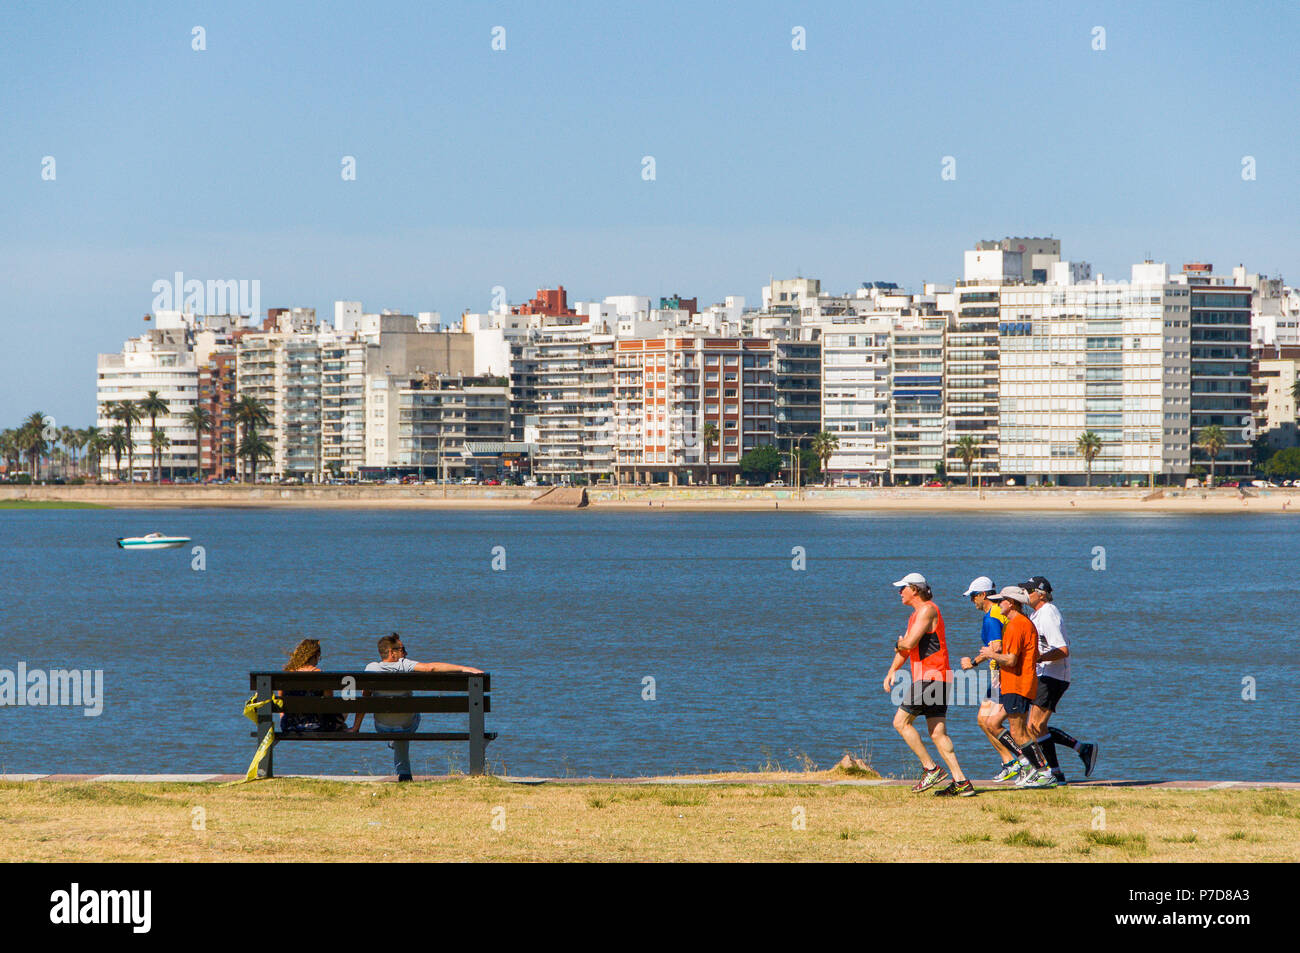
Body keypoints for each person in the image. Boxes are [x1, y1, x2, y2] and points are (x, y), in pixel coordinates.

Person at [882, 572, 975, 797]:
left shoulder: (927, 610)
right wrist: (892, 670)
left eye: (902, 588)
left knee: (901, 722)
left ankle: (930, 769)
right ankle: (961, 782)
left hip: (931, 678)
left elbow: (908, 643)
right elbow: (906, 648)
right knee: (937, 733)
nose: (899, 592)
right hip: (937, 678)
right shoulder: (915, 616)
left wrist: (898, 643)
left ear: (914, 589)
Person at [357, 633, 483, 781]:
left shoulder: (371, 668)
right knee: (407, 715)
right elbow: (430, 668)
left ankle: (401, 766)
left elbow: (364, 698)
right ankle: (403, 773)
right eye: (401, 649)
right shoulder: (404, 664)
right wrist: (463, 669)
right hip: (407, 724)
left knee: (395, 720)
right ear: (392, 652)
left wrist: (355, 728)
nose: (405, 653)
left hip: (382, 726)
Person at [971, 586, 1054, 787]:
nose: (999, 604)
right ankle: (1028, 765)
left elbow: (1011, 659)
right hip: (1010, 683)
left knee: (1018, 732)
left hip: (1019, 684)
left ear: (1012, 603)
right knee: (992, 723)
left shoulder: (1018, 625)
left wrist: (990, 655)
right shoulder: (1015, 623)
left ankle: (1043, 770)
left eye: (1002, 601)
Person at [1021, 576, 1098, 782]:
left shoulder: (1048, 614)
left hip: (1053, 675)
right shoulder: (1038, 614)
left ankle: (1056, 772)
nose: (1025, 595)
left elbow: (1062, 649)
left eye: (1029, 591)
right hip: (1044, 674)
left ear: (1041, 594)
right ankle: (1076, 754)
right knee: (1036, 727)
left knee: (1034, 727)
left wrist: (1039, 657)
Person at [957, 577, 1019, 781]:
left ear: (983, 595)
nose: (972, 601)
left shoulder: (992, 617)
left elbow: (996, 647)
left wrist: (973, 662)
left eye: (973, 596)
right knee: (984, 720)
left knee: (991, 722)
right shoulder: (997, 613)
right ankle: (1010, 761)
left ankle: (1022, 760)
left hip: (1001, 674)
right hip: (1001, 672)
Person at [279, 638, 349, 733]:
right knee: (348, 698)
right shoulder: (321, 676)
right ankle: (346, 727)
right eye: (319, 658)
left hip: (290, 725)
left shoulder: (286, 675)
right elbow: (329, 703)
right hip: (317, 726)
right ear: (315, 656)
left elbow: (280, 702)